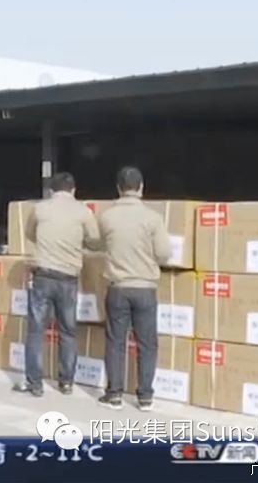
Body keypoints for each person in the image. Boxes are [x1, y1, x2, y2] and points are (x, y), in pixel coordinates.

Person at [12, 172, 100, 398]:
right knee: (67, 331)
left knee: (35, 330)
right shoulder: (83, 211)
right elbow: (94, 240)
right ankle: (66, 382)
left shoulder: (40, 209)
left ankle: (35, 383)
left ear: (51, 190)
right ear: (73, 190)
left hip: (42, 276)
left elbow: (30, 233)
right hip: (68, 278)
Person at [96, 166, 171, 411]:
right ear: (141, 188)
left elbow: (98, 244)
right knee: (147, 344)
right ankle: (145, 397)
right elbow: (164, 253)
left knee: (115, 341)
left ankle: (114, 395)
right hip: (145, 288)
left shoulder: (106, 217)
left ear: (118, 188)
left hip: (118, 287)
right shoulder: (153, 218)